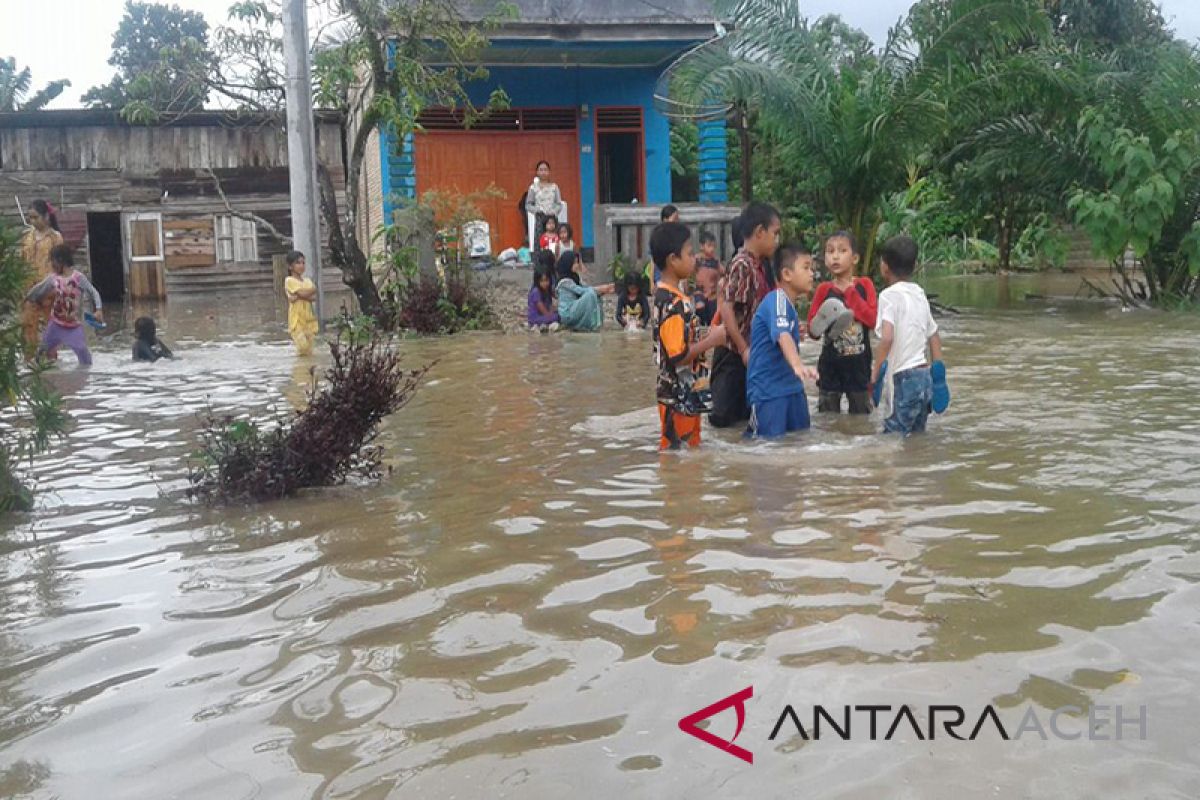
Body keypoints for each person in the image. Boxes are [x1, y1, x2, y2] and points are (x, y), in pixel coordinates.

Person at [651, 222, 725, 450]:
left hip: (687, 392)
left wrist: (705, 335)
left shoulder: (674, 297)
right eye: (690, 253)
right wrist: (711, 341)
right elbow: (678, 355)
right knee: (677, 455)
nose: (695, 258)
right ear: (673, 259)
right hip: (677, 397)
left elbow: (683, 340)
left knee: (690, 454)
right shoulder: (672, 304)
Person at [710, 202, 781, 428]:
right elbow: (727, 308)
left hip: (752, 354)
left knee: (745, 417)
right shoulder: (743, 265)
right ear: (760, 232)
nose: (777, 240)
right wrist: (743, 348)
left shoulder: (762, 266)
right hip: (734, 354)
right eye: (775, 234)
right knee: (724, 418)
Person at [871, 235, 944, 436]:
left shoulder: (888, 296)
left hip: (903, 378)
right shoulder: (919, 293)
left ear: (884, 267)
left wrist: (875, 374)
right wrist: (939, 376)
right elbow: (934, 334)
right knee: (917, 437)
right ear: (915, 265)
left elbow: (887, 338)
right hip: (924, 376)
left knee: (893, 437)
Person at [747, 245, 818, 438]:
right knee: (766, 450)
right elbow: (782, 335)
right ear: (786, 274)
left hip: (792, 389)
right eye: (806, 267)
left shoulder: (788, 306)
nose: (812, 274)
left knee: (798, 446)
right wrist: (797, 365)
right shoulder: (777, 299)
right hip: (769, 393)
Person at [808, 231, 878, 414]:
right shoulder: (824, 290)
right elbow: (813, 331)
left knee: (861, 417)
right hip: (830, 366)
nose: (835, 256)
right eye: (830, 252)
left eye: (842, 251)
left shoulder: (865, 285)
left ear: (854, 258)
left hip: (859, 366)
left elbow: (872, 320)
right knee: (828, 418)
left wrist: (850, 292)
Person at [25, 244, 102, 366]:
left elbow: (94, 292)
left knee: (84, 356)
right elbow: (37, 290)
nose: (51, 265)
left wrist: (98, 309)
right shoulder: (53, 279)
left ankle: (85, 379)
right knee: (40, 352)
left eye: (53, 261)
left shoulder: (78, 278)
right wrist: (26, 298)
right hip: (55, 325)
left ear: (61, 260)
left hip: (74, 327)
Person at [20, 199, 65, 358]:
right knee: (28, 326)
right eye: (30, 218)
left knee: (50, 329)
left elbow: (61, 264)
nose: (32, 221)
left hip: (49, 291)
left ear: (46, 216)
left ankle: (51, 365)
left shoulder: (55, 238)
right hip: (29, 291)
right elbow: (21, 261)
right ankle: (30, 362)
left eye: (35, 217)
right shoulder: (27, 237)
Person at [555, 251, 613, 332]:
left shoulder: (575, 277)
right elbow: (582, 291)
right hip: (567, 313)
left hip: (575, 308)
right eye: (574, 263)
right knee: (590, 294)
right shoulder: (564, 282)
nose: (577, 265)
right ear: (568, 264)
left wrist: (603, 290)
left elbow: (586, 287)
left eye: (577, 262)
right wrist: (601, 288)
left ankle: (596, 324)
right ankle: (585, 325)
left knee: (597, 296)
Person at [284, 250, 319, 356]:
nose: (302, 265)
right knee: (302, 347)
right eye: (298, 263)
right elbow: (305, 293)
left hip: (309, 319)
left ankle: (307, 370)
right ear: (290, 266)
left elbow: (313, 297)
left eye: (303, 263)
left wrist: (299, 295)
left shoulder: (307, 281)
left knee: (309, 349)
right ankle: (299, 370)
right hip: (297, 320)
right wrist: (307, 292)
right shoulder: (289, 280)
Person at [526, 160, 564, 248]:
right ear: (537, 172)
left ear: (549, 172)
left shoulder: (554, 187)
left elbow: (559, 204)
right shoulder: (533, 187)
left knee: (554, 245)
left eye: (545, 170)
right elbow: (528, 205)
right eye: (541, 170)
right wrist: (537, 210)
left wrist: (554, 211)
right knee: (541, 245)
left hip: (552, 220)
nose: (543, 172)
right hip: (540, 219)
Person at [527, 266, 560, 332]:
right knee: (558, 317)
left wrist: (552, 312)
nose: (545, 283)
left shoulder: (547, 290)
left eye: (546, 280)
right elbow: (542, 308)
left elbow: (550, 304)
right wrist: (550, 316)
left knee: (558, 313)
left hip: (543, 315)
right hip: (535, 318)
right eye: (542, 281)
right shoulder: (536, 291)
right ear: (537, 281)